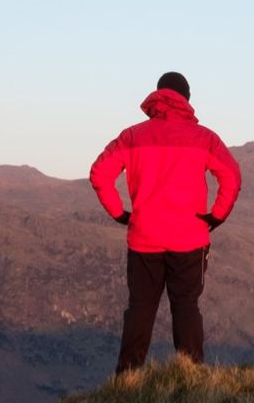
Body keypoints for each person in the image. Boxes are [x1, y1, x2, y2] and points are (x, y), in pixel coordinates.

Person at [89, 72, 242, 374]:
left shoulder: (132, 136)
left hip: (144, 238)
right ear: (186, 99)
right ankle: (191, 377)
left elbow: (100, 174)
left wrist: (120, 214)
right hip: (189, 239)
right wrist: (216, 216)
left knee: (141, 309)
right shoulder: (204, 139)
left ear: (158, 95)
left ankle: (128, 378)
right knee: (186, 307)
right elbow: (232, 176)